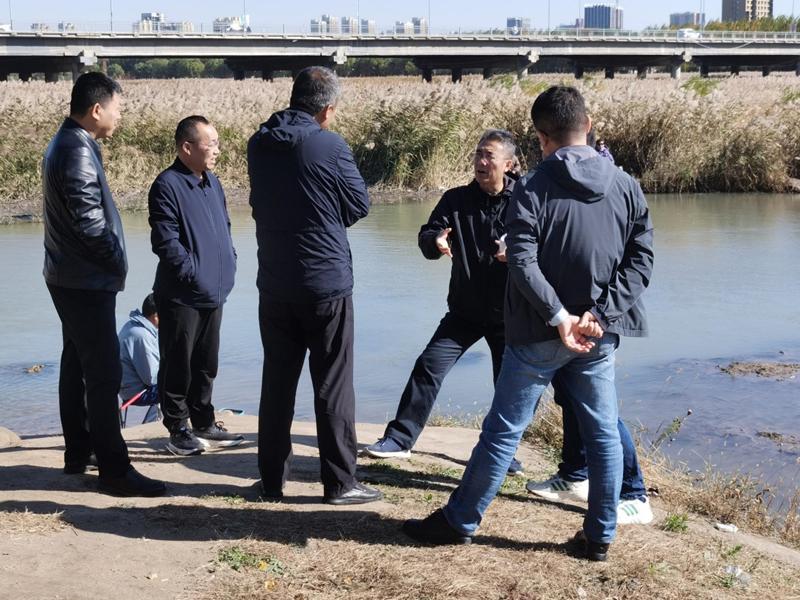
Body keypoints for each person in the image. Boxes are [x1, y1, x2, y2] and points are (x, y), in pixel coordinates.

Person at [402, 86, 654, 562]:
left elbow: (521, 259)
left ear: (541, 137)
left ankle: (460, 520)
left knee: (504, 430)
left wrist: (558, 316)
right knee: (602, 431)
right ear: (588, 124)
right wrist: (598, 314)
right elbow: (641, 261)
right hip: (597, 335)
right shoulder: (626, 186)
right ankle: (600, 535)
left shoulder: (533, 187)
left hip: (539, 330)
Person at [248, 66, 381, 505]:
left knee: (277, 383)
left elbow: (261, 203)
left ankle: (271, 482)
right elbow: (359, 204)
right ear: (327, 109)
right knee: (333, 384)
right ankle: (340, 483)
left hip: (274, 282)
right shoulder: (328, 144)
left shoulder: (258, 143)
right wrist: (324, 215)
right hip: (325, 283)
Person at [364, 129, 525, 477]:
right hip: (465, 312)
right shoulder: (456, 200)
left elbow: (546, 245)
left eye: (489, 156)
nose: (481, 161)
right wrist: (435, 240)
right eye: (478, 154)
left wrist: (517, 252)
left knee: (509, 386)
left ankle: (504, 453)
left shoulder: (526, 200)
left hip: (510, 315)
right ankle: (399, 440)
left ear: (509, 164)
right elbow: (427, 233)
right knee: (428, 366)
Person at [42, 72, 165, 497]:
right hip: (85, 279)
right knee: (104, 372)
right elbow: (90, 224)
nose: (120, 116)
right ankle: (114, 470)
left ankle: (80, 452)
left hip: (69, 275)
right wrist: (117, 261)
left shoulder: (67, 141)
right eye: (117, 108)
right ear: (97, 109)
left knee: (77, 363)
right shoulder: (76, 150)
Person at [148, 115, 242, 456]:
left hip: (214, 291)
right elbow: (165, 241)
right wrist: (192, 273)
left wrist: (229, 262)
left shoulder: (212, 182)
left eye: (217, 143)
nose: (217, 150)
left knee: (206, 363)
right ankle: (178, 429)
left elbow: (225, 227)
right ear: (187, 147)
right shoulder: (167, 185)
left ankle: (204, 421)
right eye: (210, 143)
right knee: (178, 362)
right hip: (181, 294)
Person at [118, 293, 161, 425]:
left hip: (128, 390)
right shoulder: (141, 335)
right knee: (184, 385)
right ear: (155, 316)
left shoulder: (133, 326)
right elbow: (151, 378)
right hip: (138, 394)